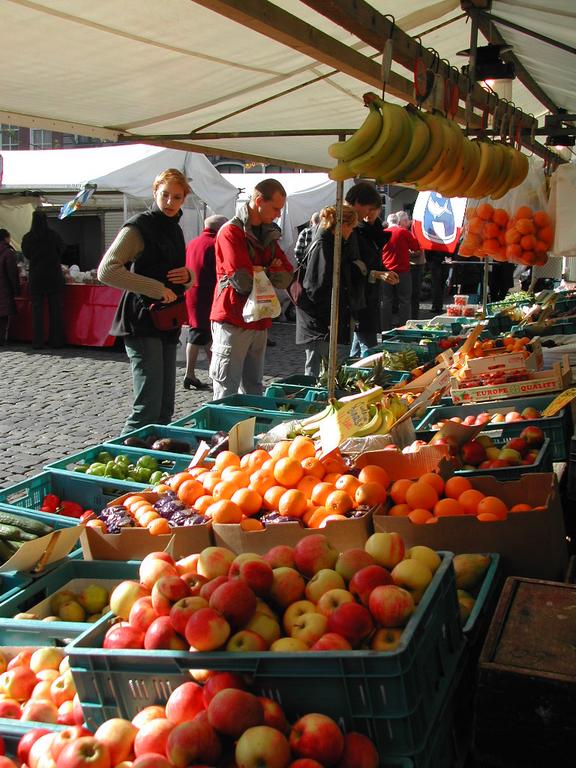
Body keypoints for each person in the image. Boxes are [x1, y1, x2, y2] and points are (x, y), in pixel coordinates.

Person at [98, 168, 194, 434]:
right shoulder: (139, 226)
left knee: (165, 407)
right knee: (148, 407)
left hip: (166, 320)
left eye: (177, 197)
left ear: (184, 199)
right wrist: (154, 287)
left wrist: (188, 276)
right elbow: (107, 270)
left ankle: (155, 458)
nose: (170, 202)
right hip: (141, 319)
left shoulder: (174, 228)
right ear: (155, 193)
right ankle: (126, 461)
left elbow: (176, 271)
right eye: (165, 195)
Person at [209, 178, 293, 399]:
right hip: (233, 317)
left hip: (260, 319)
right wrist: (269, 270)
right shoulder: (231, 232)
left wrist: (260, 269)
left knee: (254, 389)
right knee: (226, 390)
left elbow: (286, 275)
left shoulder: (268, 234)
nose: (278, 214)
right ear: (258, 201)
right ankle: (223, 434)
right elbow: (242, 280)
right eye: (275, 208)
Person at [295, 205, 358, 377]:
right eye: (351, 227)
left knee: (323, 367)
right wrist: (330, 318)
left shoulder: (332, 245)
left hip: (323, 319)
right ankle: (314, 402)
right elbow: (316, 288)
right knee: (316, 370)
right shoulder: (323, 246)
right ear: (342, 225)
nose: (352, 232)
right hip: (318, 321)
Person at [345, 182, 394, 356]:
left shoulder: (369, 229)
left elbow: (373, 252)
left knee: (361, 341)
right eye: (369, 209)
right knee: (368, 344)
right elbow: (351, 266)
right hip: (358, 294)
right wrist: (376, 274)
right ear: (358, 203)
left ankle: (352, 368)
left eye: (375, 209)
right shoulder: (349, 228)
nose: (369, 213)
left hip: (367, 294)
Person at [183, 214, 228, 391]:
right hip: (207, 292)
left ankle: (212, 371)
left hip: (192, 291)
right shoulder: (215, 244)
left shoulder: (193, 242)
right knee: (199, 334)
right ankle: (190, 374)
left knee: (204, 333)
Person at [21, 210, 66, 349]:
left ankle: (38, 341)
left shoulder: (28, 237)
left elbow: (27, 254)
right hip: (53, 276)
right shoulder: (54, 235)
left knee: (37, 312)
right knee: (55, 311)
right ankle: (56, 341)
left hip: (37, 276)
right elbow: (62, 249)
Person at [381, 211, 421, 330]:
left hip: (386, 271)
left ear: (388, 222)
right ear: (398, 222)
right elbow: (415, 247)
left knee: (387, 300)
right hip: (402, 270)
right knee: (404, 301)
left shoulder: (383, 233)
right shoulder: (403, 232)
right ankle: (403, 327)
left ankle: (385, 328)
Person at [0, 229, 20, 345]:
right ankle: (2, 339)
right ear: (6, 238)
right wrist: (16, 290)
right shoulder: (8, 253)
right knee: (3, 317)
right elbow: (12, 273)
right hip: (4, 289)